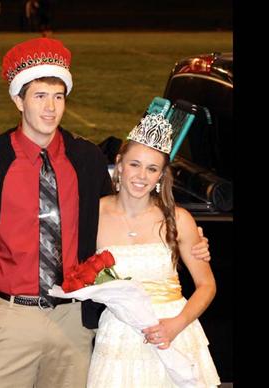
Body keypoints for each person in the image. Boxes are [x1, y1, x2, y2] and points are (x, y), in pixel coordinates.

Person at [0, 37, 211, 388]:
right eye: (39, 96)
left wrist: (187, 236)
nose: (50, 108)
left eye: (58, 96)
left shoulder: (85, 158)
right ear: (17, 100)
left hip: (73, 321)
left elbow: (122, 211)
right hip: (9, 318)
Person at [87, 112, 221, 387]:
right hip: (120, 337)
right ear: (120, 166)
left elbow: (206, 285)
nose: (141, 176)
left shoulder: (178, 218)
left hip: (176, 332)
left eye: (152, 169)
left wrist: (177, 323)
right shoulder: (93, 215)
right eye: (135, 164)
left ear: (161, 175)